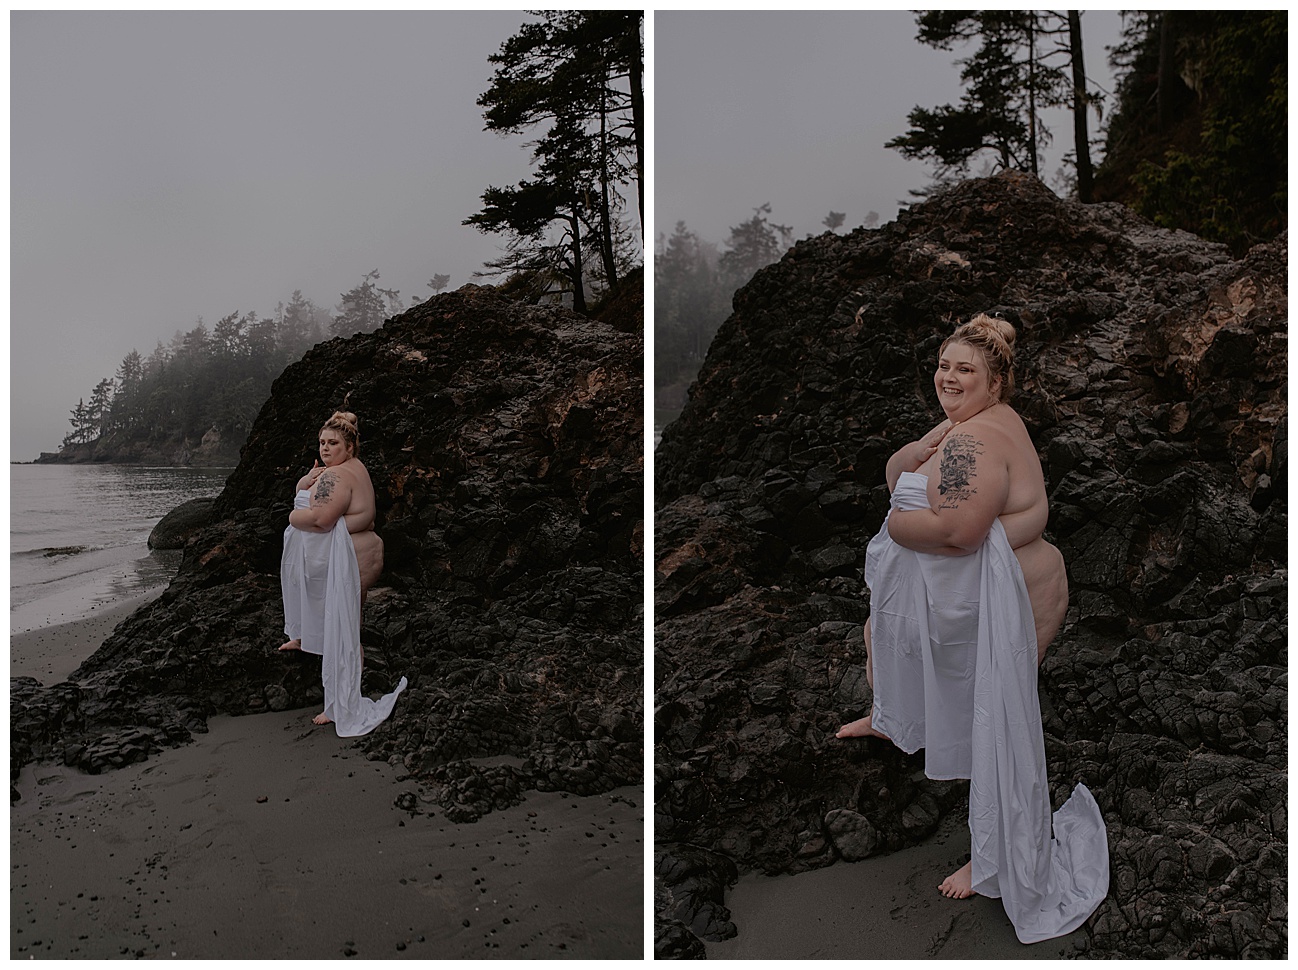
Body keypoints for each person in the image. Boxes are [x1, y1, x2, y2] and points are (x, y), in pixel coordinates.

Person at [836, 315, 1108, 943]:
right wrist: (916, 456)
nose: (948, 376)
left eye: (965, 369)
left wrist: (898, 527)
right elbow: (898, 470)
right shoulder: (973, 423)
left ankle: (991, 859)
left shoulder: (974, 443)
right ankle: (891, 714)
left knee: (995, 725)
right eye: (943, 363)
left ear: (996, 382)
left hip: (1004, 596)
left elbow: (957, 532)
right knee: (884, 633)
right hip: (997, 587)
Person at [279, 410, 405, 735]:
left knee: (343, 635)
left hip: (353, 559)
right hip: (363, 554)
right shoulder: (355, 468)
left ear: (349, 446)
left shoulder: (337, 476)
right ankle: (312, 650)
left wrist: (293, 515)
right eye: (321, 442)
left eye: (333, 443)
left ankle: (339, 706)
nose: (325, 448)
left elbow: (320, 520)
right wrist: (304, 483)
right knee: (346, 630)